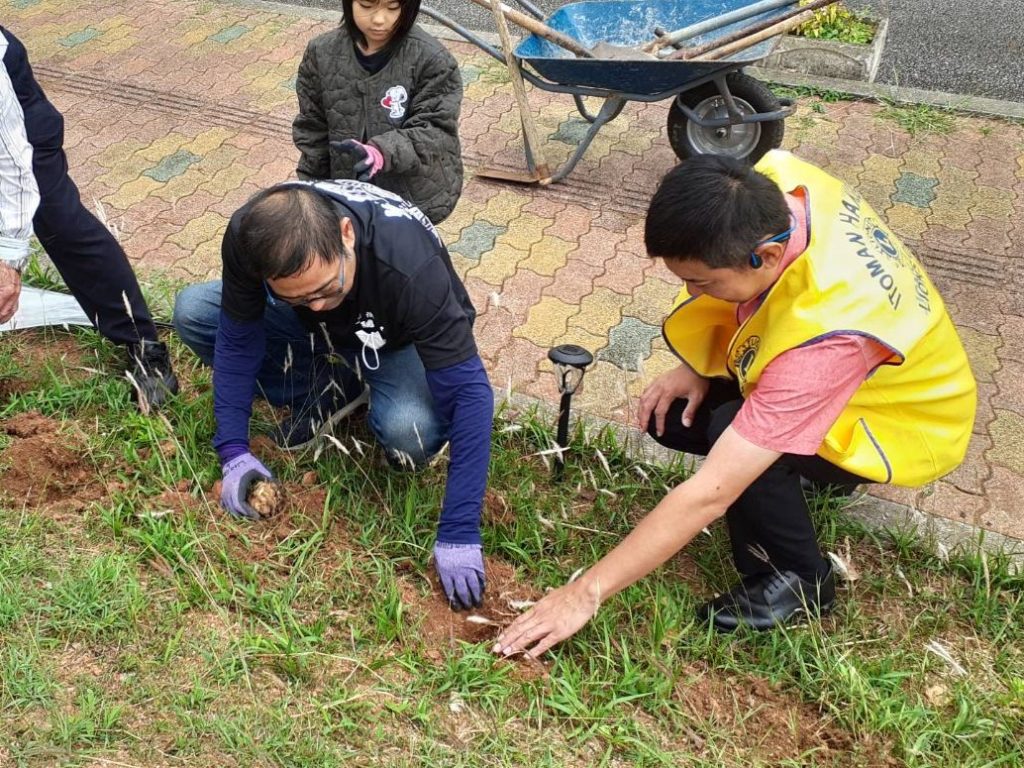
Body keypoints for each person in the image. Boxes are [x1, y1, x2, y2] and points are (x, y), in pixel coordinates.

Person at [493, 151, 977, 657]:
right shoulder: (768, 190)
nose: (691, 291)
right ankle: (797, 476)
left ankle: (800, 579)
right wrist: (700, 367)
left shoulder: (827, 337)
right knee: (679, 422)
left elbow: (710, 494)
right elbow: (760, 306)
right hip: (859, 383)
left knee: (729, 432)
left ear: (765, 256)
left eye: (703, 282)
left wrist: (582, 594)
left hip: (898, 423)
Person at [172, 179, 494, 610]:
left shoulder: (408, 266)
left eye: (327, 289)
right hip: (320, 327)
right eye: (299, 297)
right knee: (195, 313)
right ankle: (326, 386)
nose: (319, 305)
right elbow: (237, 339)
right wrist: (232, 450)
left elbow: (470, 394)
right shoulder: (249, 235)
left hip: (394, 338)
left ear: (347, 234)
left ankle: (370, 380)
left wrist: (459, 530)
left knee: (407, 432)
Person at [0, 26, 178, 408]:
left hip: (17, 129)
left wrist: (9, 254)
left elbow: (13, 160)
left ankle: (143, 345)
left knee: (58, 220)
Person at [292, 0, 463, 225]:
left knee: (400, 254)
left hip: (410, 194)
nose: (379, 19)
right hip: (346, 191)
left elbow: (435, 128)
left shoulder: (432, 59)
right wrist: (312, 187)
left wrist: (382, 151)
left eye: (392, 8)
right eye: (366, 5)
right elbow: (313, 128)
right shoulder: (321, 52)